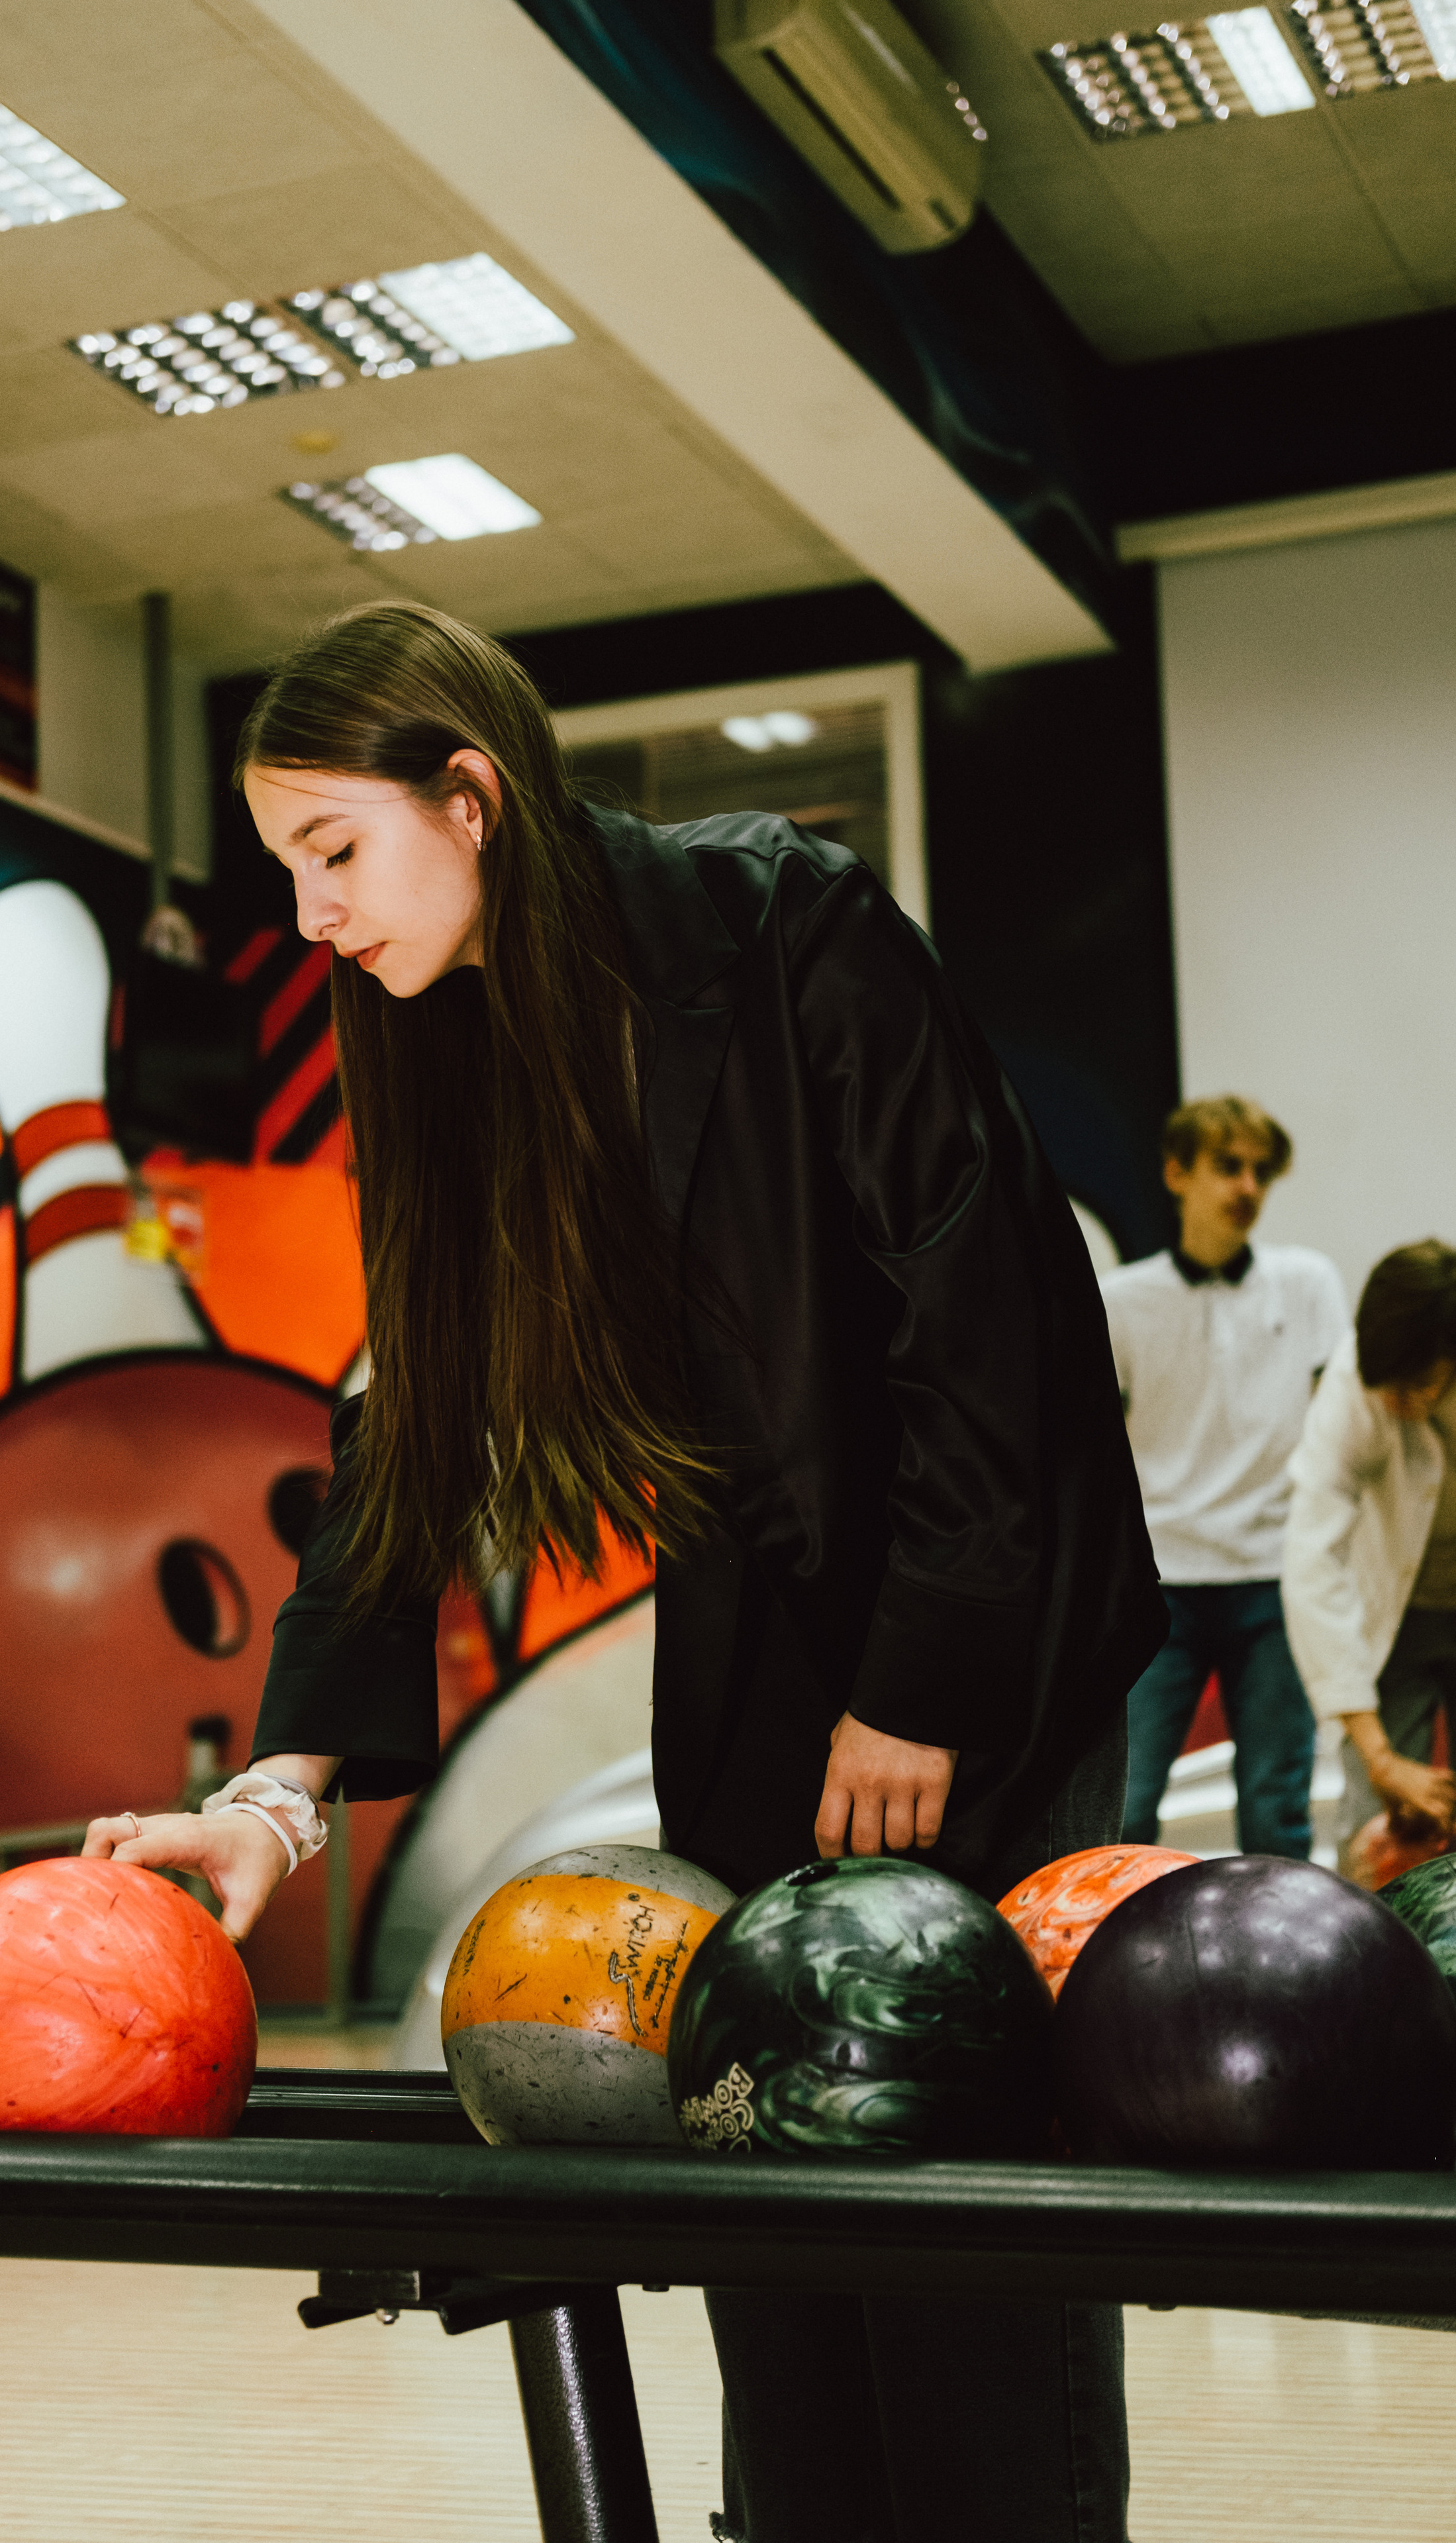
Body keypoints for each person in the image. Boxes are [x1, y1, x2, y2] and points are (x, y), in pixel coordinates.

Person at [82, 602, 1164, 2543]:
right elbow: (403, 1429)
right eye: (285, 871)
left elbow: (981, 1307)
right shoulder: (443, 1045)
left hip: (982, 1636)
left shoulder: (782, 927)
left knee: (954, 2206)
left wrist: (919, 1675)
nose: (310, 917)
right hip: (756, 1658)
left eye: (335, 851)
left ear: (471, 792)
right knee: (765, 2194)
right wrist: (274, 1799)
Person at [1100, 1097, 1347, 1858]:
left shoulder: (1306, 1282)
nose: (1246, 1186)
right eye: (1227, 1166)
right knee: (1127, 1806)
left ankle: (1286, 1974)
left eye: (1259, 1171)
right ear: (1177, 1173)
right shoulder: (1123, 1299)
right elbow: (1096, 1455)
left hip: (1276, 1579)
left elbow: (1335, 1428)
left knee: (1277, 1814)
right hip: (1162, 1584)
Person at [1283, 1241, 1456, 1864]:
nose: (1393, 1404)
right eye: (1383, 1387)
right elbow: (1311, 1561)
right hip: (1397, 1614)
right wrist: (1380, 1757)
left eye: (1414, 1387)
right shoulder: (1357, 1380)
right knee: (1375, 1833)